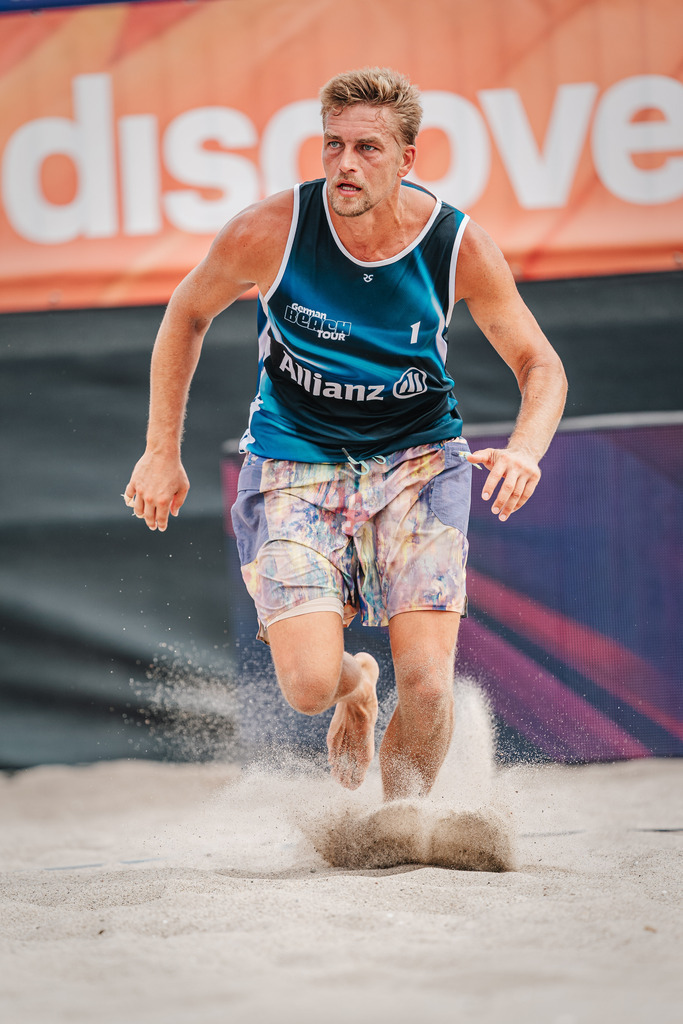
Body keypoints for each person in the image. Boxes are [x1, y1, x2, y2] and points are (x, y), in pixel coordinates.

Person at [124, 67, 567, 800]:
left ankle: (402, 824)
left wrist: (525, 451)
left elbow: (540, 366)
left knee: (426, 684)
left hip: (419, 460)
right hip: (296, 456)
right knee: (305, 686)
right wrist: (159, 450)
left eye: (365, 148)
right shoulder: (270, 229)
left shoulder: (456, 243)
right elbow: (186, 313)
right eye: (332, 146)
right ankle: (356, 687)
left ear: (405, 158)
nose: (344, 165)